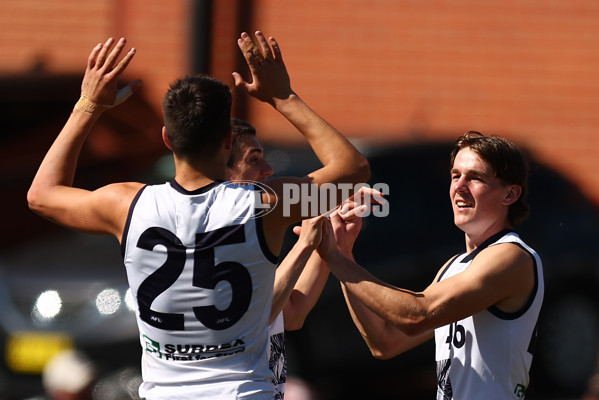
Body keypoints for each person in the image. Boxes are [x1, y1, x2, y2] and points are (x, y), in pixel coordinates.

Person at [27, 31, 369, 399]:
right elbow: (353, 168)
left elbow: (42, 195)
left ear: (166, 139)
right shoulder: (264, 204)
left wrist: (89, 104)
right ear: (227, 141)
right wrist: (283, 97)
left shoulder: (126, 204)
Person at [318, 132, 544, 399]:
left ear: (510, 194)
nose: (460, 186)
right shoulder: (455, 265)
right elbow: (386, 342)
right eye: (455, 175)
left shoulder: (511, 256)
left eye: (475, 177)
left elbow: (416, 315)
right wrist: (344, 253)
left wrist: (335, 258)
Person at [226, 118, 335, 399]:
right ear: (222, 169)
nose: (268, 169)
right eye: (254, 159)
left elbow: (292, 312)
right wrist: (283, 98)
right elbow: (258, 315)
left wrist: (330, 245)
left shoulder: (250, 232)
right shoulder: (217, 237)